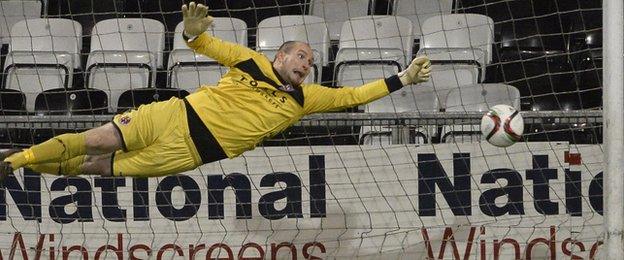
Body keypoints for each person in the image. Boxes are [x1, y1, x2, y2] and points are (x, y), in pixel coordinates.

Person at [0, 2, 431, 181]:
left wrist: (403, 79)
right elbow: (206, 44)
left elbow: (355, 95)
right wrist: (190, 32)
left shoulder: (306, 99)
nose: (306, 64)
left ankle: (22, 167)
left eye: (311, 61)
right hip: (175, 115)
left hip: (190, 155)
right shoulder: (249, 62)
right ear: (279, 58)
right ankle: (11, 160)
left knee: (93, 167)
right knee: (97, 138)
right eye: (300, 55)